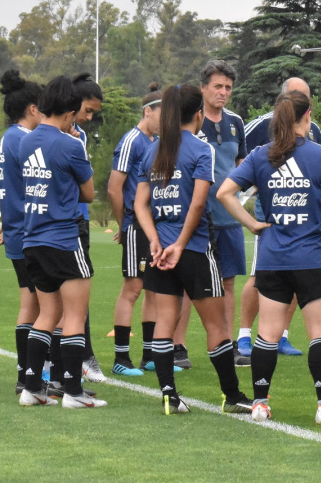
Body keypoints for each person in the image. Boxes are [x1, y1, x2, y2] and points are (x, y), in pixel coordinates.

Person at [218, 89, 321, 423]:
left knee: (267, 333)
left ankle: (260, 403)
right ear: (308, 115)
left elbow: (225, 192)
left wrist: (251, 223)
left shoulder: (262, 154)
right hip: (311, 258)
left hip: (272, 258)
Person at [132, 83, 252, 415]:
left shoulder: (151, 150)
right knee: (216, 327)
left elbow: (140, 205)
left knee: (164, 324)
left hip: (160, 254)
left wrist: (156, 241)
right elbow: (198, 205)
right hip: (194, 250)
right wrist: (181, 244)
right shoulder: (201, 149)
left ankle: (169, 395)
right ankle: (232, 396)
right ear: (198, 115)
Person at [17, 76, 105, 408]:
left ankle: (32, 387)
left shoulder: (26, 141)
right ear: (69, 111)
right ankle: (72, 392)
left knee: (47, 314)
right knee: (74, 317)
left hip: (33, 238)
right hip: (64, 238)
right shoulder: (71, 144)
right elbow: (89, 192)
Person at [236, 77, 321, 360]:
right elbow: (243, 161)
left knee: (297, 270)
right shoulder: (260, 126)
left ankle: (282, 335)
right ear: (282, 98)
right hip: (270, 208)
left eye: (306, 98)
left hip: (303, 214)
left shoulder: (315, 131)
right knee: (259, 274)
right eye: (296, 96)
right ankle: (245, 336)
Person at [174, 59, 247, 369]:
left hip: (228, 218)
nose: (223, 92)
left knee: (227, 283)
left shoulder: (236, 123)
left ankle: (229, 344)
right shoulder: (188, 122)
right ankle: (177, 346)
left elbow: (241, 164)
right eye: (217, 86)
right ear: (202, 88)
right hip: (196, 218)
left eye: (228, 87)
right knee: (188, 286)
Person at [107, 84, 164, 376]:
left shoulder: (156, 141)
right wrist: (124, 224)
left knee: (152, 289)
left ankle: (149, 356)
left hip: (153, 228)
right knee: (133, 289)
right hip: (136, 226)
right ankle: (121, 358)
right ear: (148, 112)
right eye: (161, 116)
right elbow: (115, 189)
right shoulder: (132, 140)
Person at [0, 70, 43, 394]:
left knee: (30, 302)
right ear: (33, 109)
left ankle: (25, 374)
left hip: (15, 230)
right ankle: (36, 375)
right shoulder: (25, 140)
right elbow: (36, 187)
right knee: (43, 305)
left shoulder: (7, 138)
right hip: (30, 232)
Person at [71, 73, 105, 384]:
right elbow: (86, 189)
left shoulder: (78, 134)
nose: (90, 117)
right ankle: (80, 358)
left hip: (75, 221)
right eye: (88, 110)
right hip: (66, 223)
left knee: (77, 293)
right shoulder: (67, 136)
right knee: (72, 293)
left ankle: (82, 355)